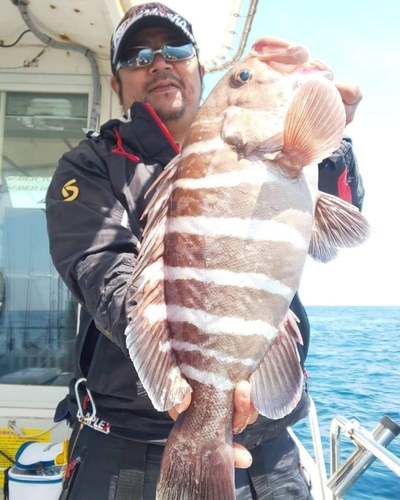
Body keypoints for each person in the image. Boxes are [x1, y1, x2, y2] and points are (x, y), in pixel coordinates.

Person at [45, 3, 365, 499]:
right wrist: (190, 382)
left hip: (267, 453)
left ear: (199, 67)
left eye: (175, 50)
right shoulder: (90, 166)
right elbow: (102, 273)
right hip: (120, 450)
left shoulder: (272, 146)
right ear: (116, 85)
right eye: (138, 55)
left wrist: (330, 140)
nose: (159, 63)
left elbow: (334, 227)